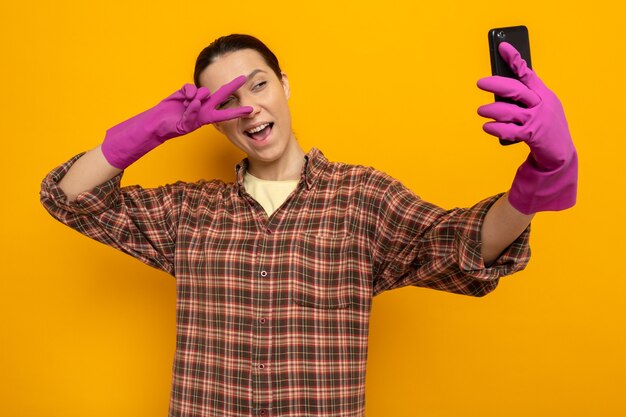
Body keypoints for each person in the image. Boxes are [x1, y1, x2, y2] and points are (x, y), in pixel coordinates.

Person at [40, 34, 577, 417]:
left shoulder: (361, 197)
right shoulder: (190, 212)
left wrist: (543, 172)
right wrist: (149, 130)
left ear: (285, 85)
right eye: (226, 102)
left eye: (257, 86)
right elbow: (68, 198)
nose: (247, 109)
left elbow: (461, 243)